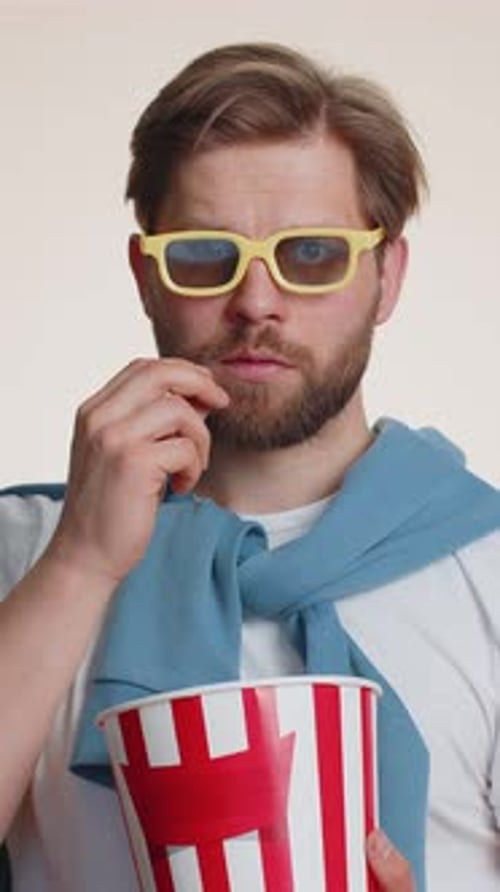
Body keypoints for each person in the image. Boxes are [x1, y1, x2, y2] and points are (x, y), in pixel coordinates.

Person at [0, 41, 499, 892]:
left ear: (387, 277)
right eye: (204, 254)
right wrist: (82, 562)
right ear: (147, 278)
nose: (257, 302)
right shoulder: (28, 552)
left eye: (313, 255)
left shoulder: (488, 568)